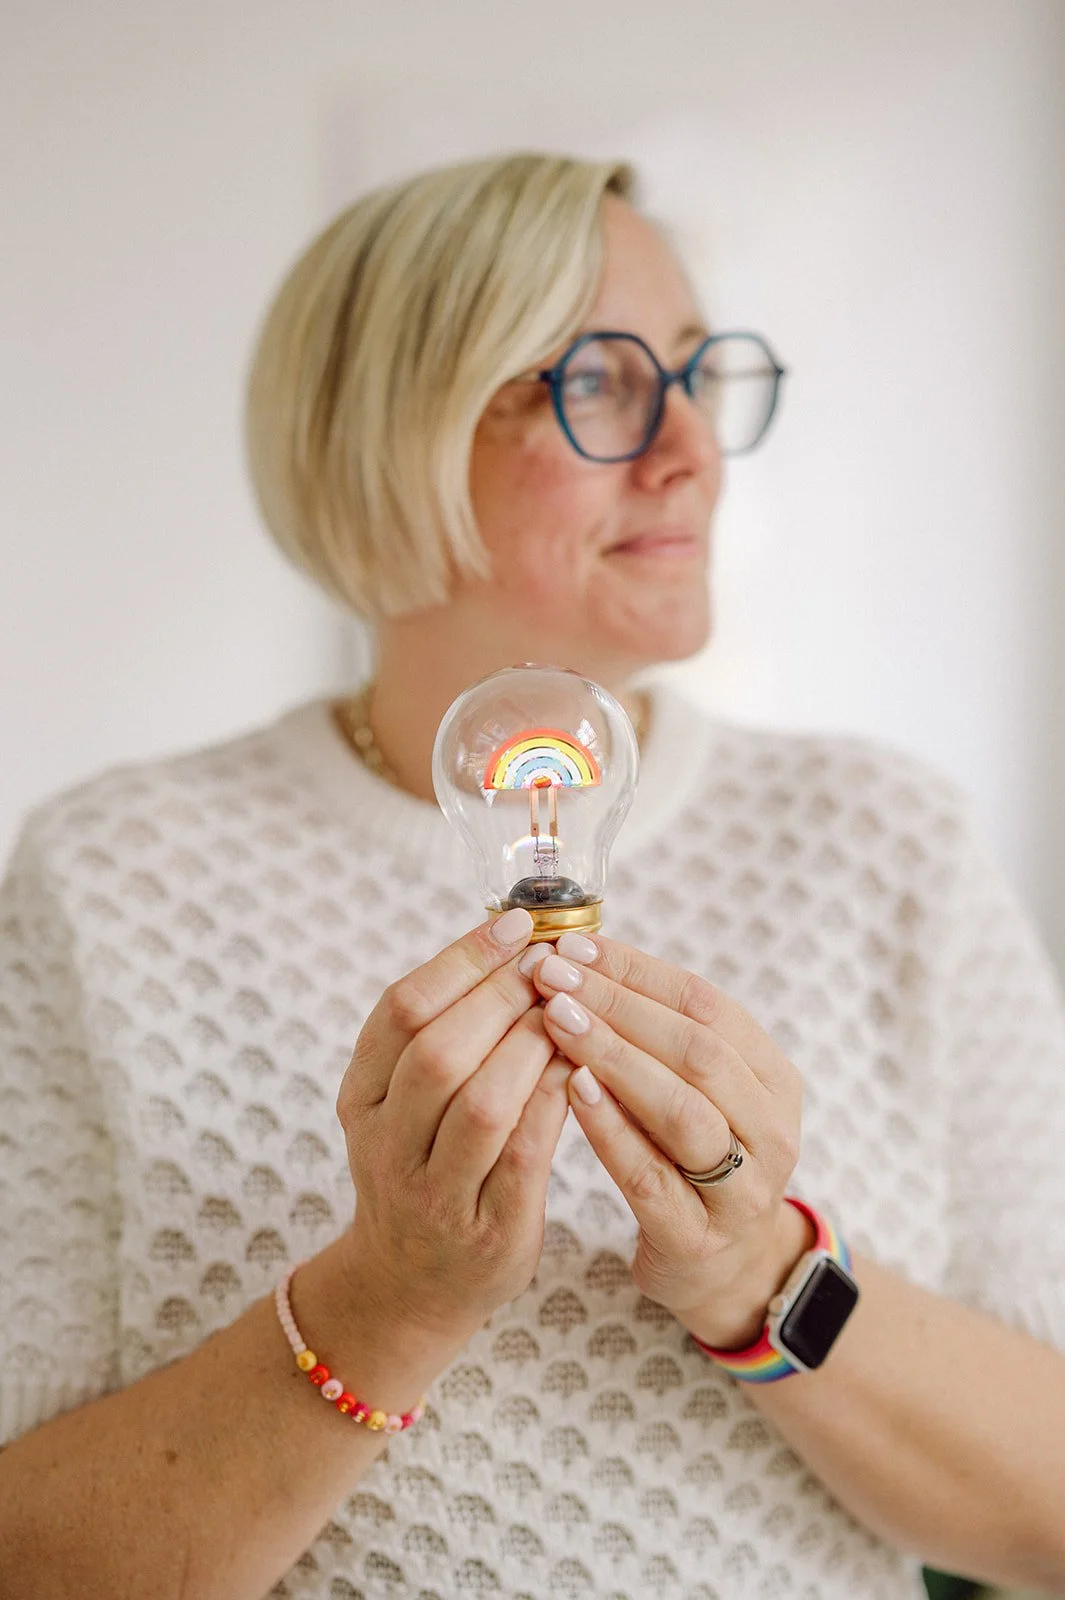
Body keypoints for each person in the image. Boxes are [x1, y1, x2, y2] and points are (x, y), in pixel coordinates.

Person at [1, 151, 1063, 1600]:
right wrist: (388, 1299)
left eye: (696, 374)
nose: (693, 448)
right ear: (392, 430)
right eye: (601, 382)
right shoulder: (112, 876)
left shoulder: (888, 842)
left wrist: (754, 1276)